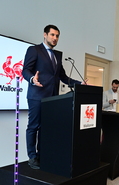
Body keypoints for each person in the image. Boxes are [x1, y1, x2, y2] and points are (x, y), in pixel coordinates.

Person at [22, 25, 84, 169]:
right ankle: (32, 157)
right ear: (45, 35)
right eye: (52, 35)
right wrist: (32, 79)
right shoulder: (34, 50)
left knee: (46, 128)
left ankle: (42, 154)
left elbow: (62, 76)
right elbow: (26, 69)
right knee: (33, 127)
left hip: (52, 98)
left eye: (57, 36)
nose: (55, 38)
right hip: (36, 95)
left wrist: (79, 83)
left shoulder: (57, 55)